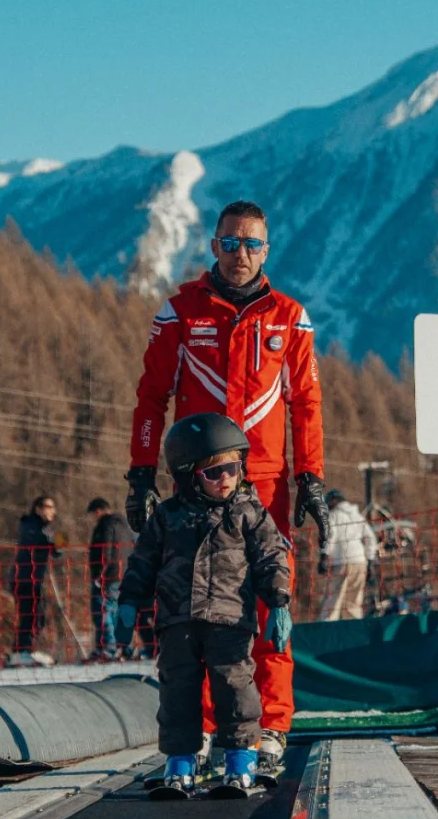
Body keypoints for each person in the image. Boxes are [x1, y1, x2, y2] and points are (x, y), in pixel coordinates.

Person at [124, 199, 328, 769]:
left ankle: (272, 729)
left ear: (268, 249)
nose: (241, 254)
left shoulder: (290, 317)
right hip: (196, 486)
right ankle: (212, 734)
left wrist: (311, 477)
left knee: (270, 608)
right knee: (199, 611)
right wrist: (141, 470)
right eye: (231, 243)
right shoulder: (180, 313)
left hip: (265, 486)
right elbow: (150, 396)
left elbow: (307, 403)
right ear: (214, 246)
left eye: (253, 244)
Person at [115, 413, 292, 791]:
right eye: (214, 473)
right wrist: (129, 601)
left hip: (230, 620)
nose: (227, 478)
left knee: (234, 688)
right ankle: (180, 763)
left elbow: (271, 556)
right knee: (178, 691)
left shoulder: (247, 512)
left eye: (233, 468)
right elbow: (143, 561)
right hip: (177, 621)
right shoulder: (166, 518)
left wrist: (278, 601)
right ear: (187, 475)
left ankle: (240, 759)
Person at [8, 495, 60, 667]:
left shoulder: (43, 528)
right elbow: (39, 541)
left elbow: (57, 551)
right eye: (48, 506)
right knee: (29, 615)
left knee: (37, 616)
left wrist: (58, 544)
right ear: (38, 508)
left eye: (53, 507)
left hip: (34, 579)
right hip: (23, 578)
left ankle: (23, 649)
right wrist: (53, 540)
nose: (52, 511)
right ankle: (21, 651)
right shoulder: (30, 524)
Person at [86, 498, 135, 661]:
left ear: (98, 511)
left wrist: (99, 573)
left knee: (104, 611)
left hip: (109, 576)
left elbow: (104, 550)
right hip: (125, 574)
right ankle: (126, 647)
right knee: (119, 612)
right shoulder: (124, 525)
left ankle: (108, 647)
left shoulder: (105, 525)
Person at [318, 489, 379, 621]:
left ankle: (325, 630)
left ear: (333, 501)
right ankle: (353, 632)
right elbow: (370, 538)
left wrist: (324, 554)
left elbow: (330, 535)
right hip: (360, 561)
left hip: (341, 561)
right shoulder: (358, 516)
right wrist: (370, 560)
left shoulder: (333, 515)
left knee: (333, 600)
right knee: (353, 603)